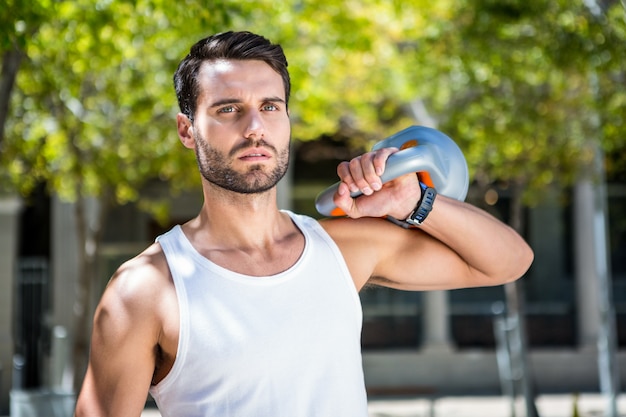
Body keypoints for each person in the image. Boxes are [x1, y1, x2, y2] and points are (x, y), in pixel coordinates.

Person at [74, 31, 533, 417]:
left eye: (270, 107)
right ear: (187, 130)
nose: (255, 126)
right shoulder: (146, 288)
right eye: (228, 109)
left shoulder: (341, 249)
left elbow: (508, 261)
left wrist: (414, 201)